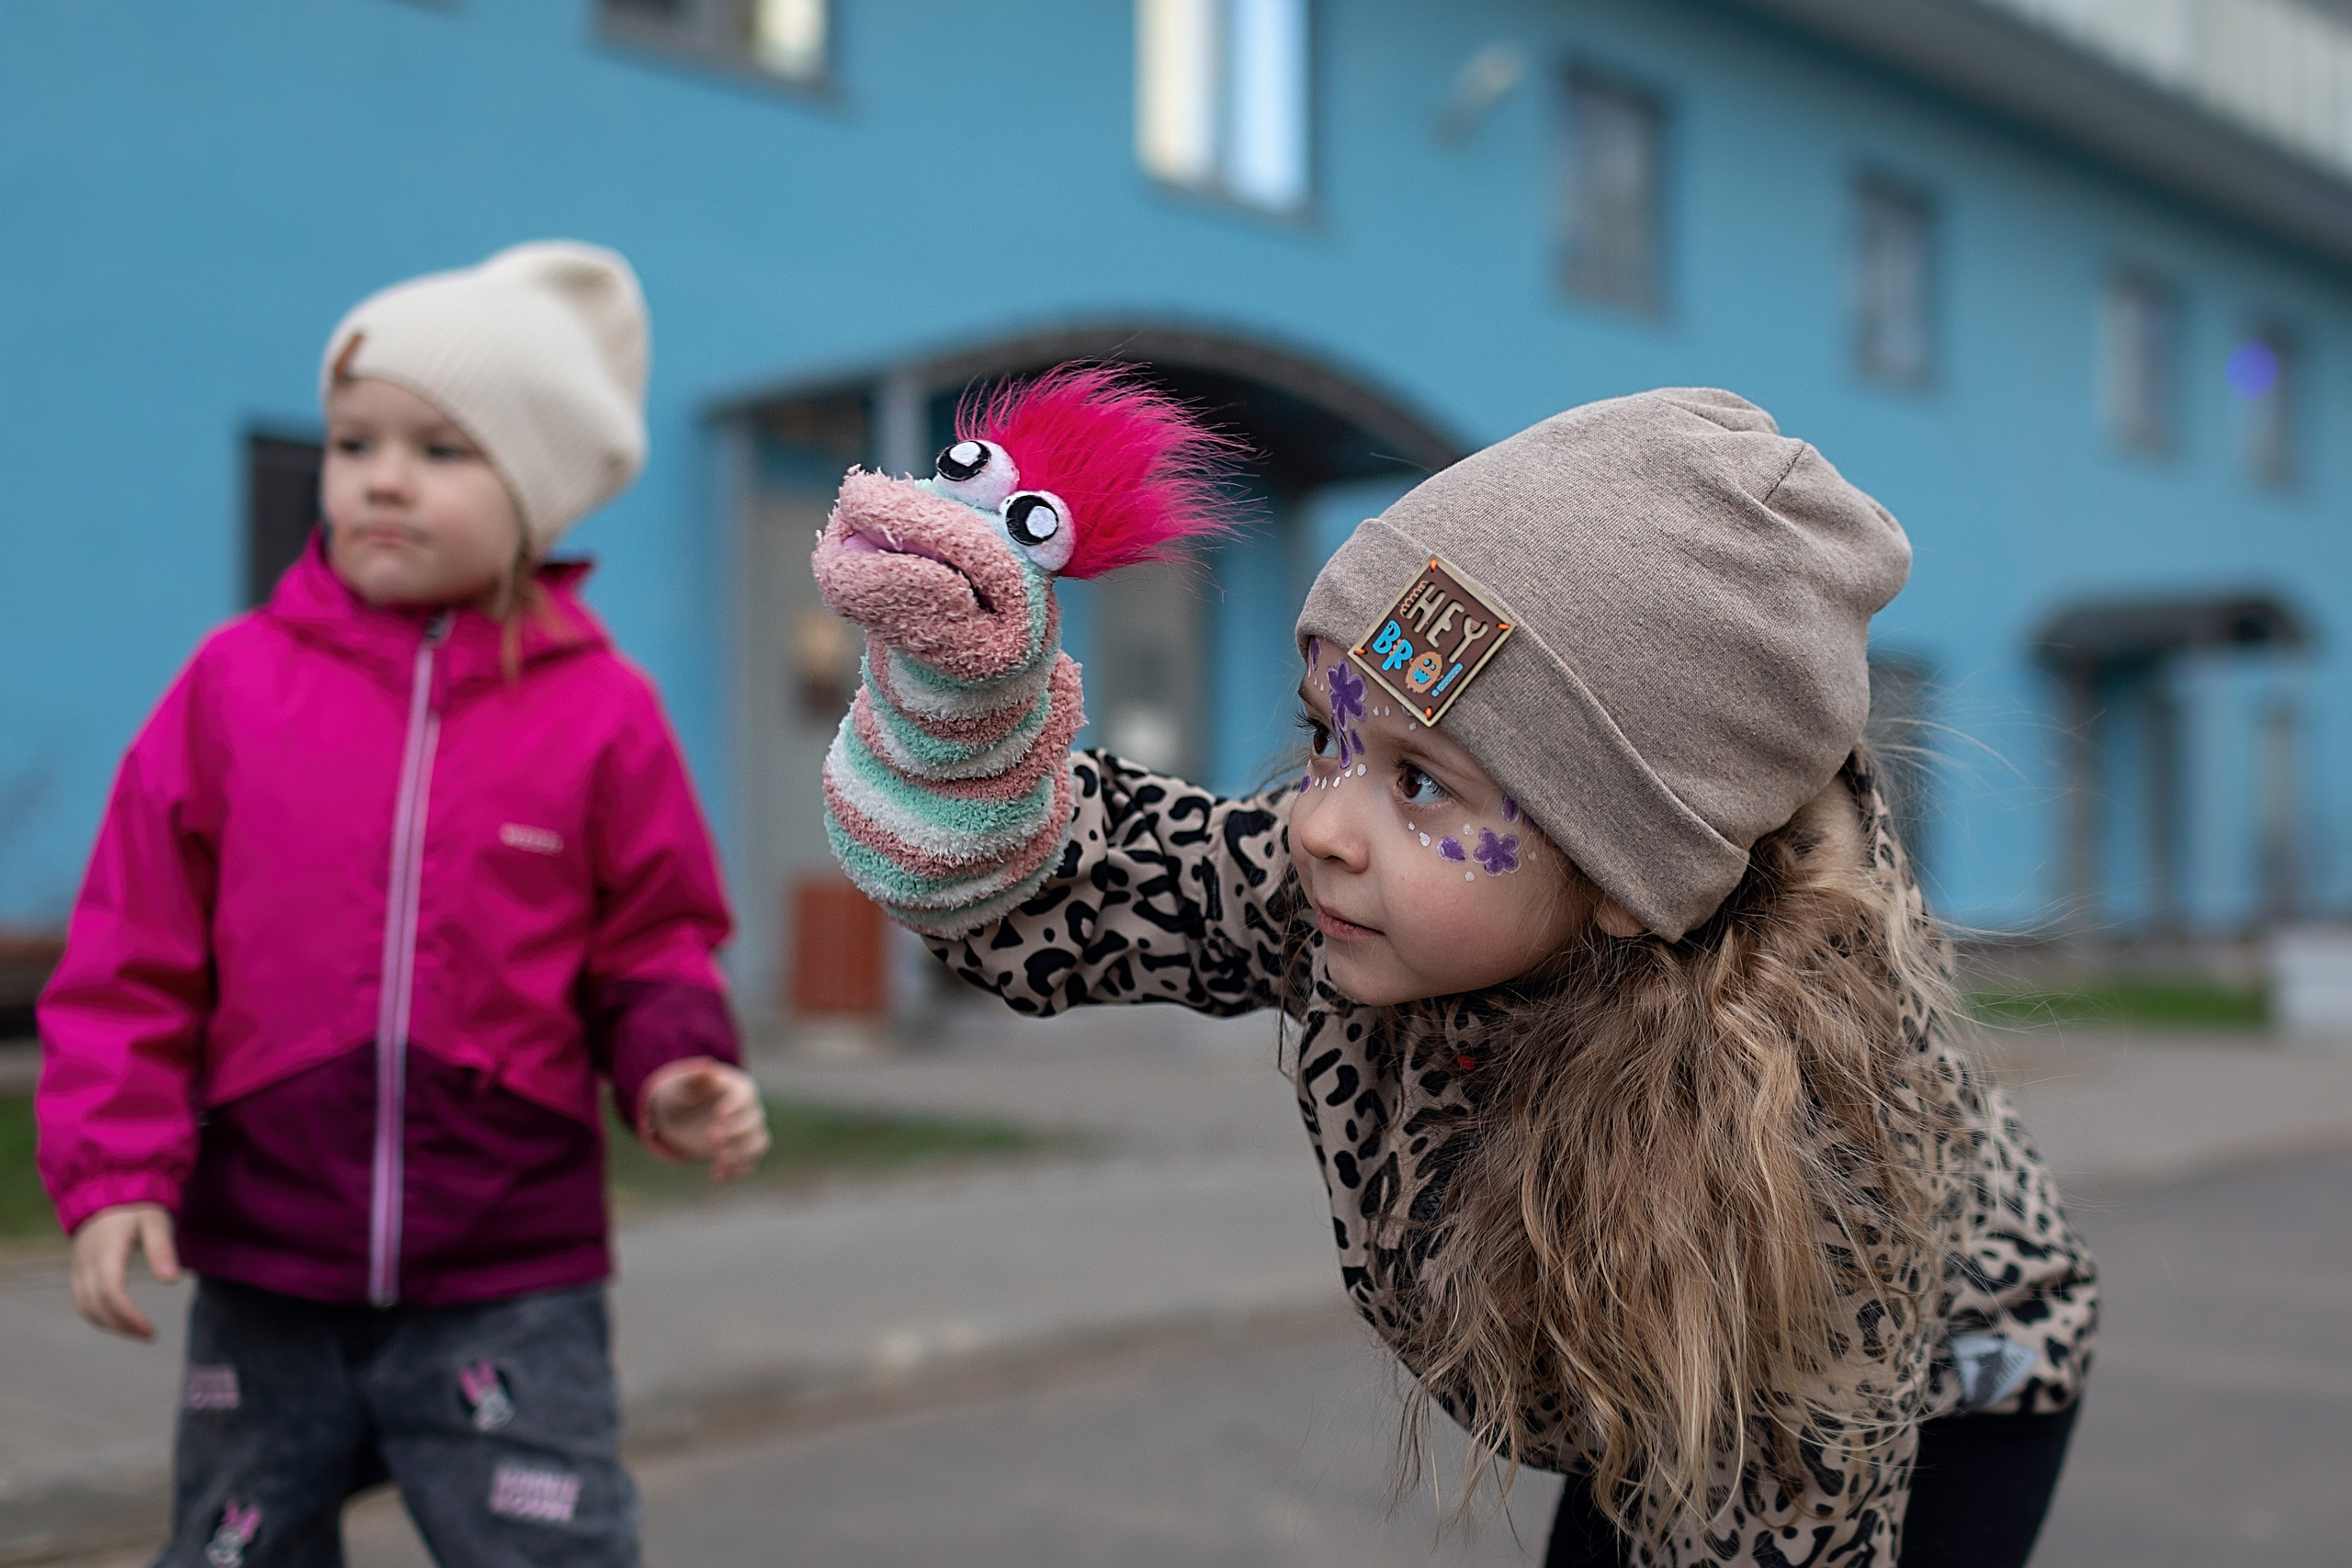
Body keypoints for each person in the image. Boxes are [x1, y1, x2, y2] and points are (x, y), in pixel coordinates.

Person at [812, 372, 2096, 1567]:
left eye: (1422, 781)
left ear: (1625, 871)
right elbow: (1055, 895)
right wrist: (962, 705)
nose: (1319, 819)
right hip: (1637, 1369)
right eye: (1328, 735)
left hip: (1933, 1397)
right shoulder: (1357, 879)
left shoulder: (1798, 1166)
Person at [37, 242, 768, 1568]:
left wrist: (676, 1069)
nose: (379, 475)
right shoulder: (231, 688)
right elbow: (131, 956)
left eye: (440, 449)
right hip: (266, 1272)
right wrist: (111, 1168)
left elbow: (653, 940)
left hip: (509, 1284)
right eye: (352, 440)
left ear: (534, 492)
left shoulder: (605, 715)